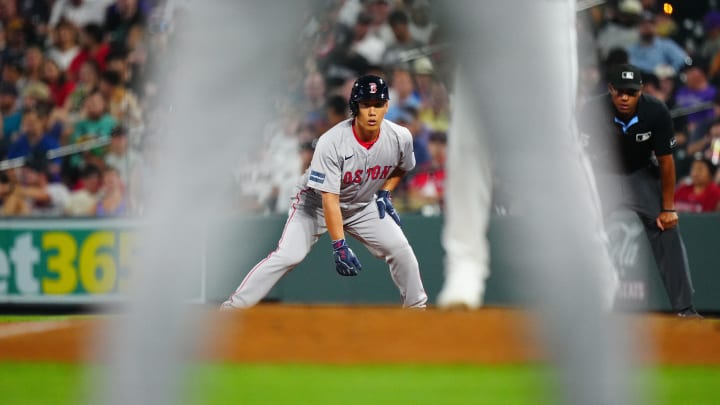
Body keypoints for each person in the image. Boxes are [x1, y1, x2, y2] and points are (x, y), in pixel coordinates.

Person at [221, 74, 427, 309]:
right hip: (315, 204)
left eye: (378, 105)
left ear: (387, 106)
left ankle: (416, 310)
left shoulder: (400, 137)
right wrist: (339, 245)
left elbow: (402, 166)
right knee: (289, 255)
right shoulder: (332, 142)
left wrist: (385, 192)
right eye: (365, 104)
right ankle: (232, 308)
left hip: (361, 204)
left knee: (401, 249)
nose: (372, 112)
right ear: (354, 107)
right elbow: (330, 198)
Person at [578, 63, 701, 317]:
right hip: (604, 175)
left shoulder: (655, 111)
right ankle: (569, 302)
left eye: (631, 92)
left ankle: (685, 309)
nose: (625, 97)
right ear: (610, 89)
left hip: (640, 175)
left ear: (641, 91)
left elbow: (666, 162)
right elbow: (580, 157)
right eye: (620, 91)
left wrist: (668, 208)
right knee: (578, 230)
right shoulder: (592, 109)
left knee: (668, 229)